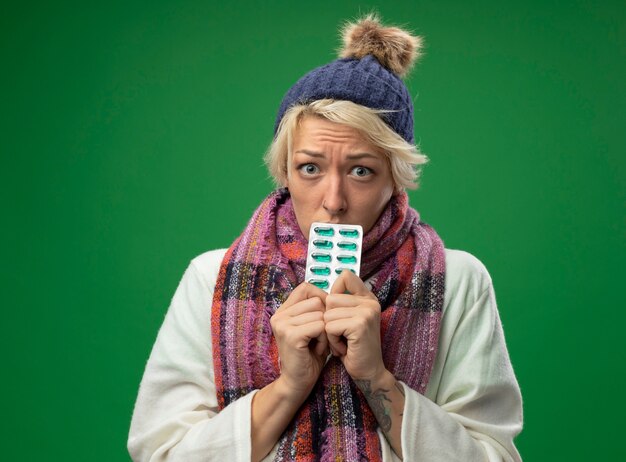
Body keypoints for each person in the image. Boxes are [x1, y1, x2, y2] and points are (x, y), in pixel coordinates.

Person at [128, 14, 523, 462]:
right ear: (285, 172)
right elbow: (160, 454)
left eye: (361, 170)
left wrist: (376, 376)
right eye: (310, 168)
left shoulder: (458, 281)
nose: (333, 200)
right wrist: (288, 387)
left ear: (395, 178)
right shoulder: (211, 278)